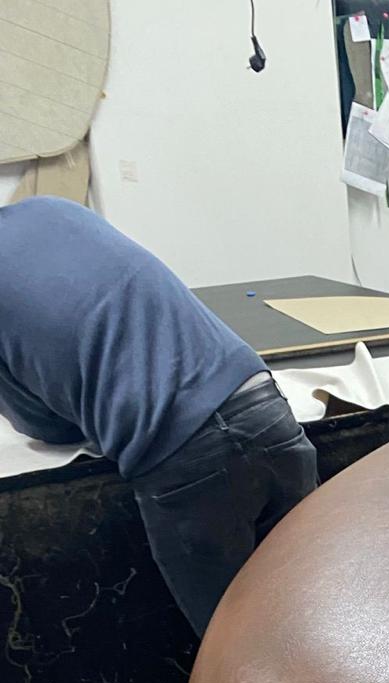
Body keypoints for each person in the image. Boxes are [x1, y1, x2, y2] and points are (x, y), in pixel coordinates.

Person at [0, 197, 318, 636]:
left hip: (185, 462)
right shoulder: (52, 210)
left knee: (234, 652)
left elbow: (46, 426)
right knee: (317, 623)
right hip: (268, 411)